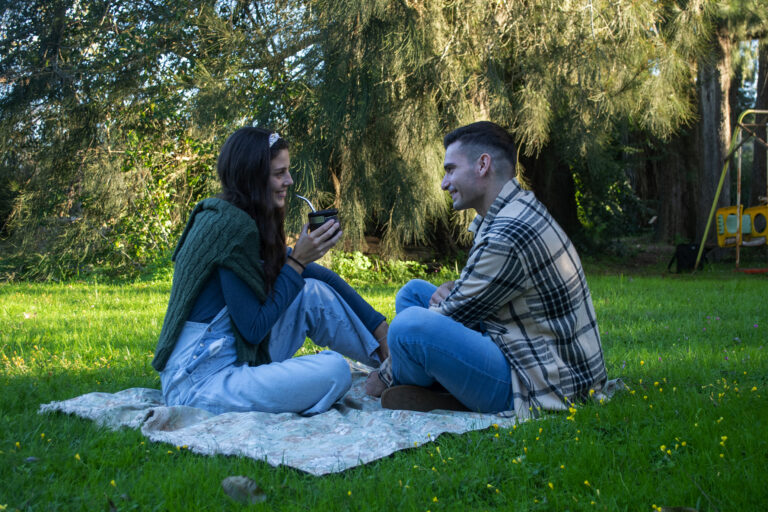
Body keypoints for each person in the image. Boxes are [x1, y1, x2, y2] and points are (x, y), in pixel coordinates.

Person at [366, 121, 608, 418]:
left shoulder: (508, 232)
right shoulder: (515, 209)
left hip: (541, 384)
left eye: (451, 169)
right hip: (522, 346)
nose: (444, 183)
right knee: (413, 293)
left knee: (407, 328)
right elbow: (484, 292)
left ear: (483, 165)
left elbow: (452, 313)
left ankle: (427, 388)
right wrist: (455, 289)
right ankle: (441, 386)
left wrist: (383, 375)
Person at [152, 127, 389, 416]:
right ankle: (398, 367)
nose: (289, 181)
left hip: (230, 355)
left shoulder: (238, 218)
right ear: (252, 176)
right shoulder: (228, 229)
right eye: (280, 173)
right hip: (199, 381)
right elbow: (253, 329)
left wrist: (380, 330)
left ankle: (396, 367)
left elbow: (315, 276)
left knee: (312, 294)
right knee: (335, 370)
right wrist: (297, 263)